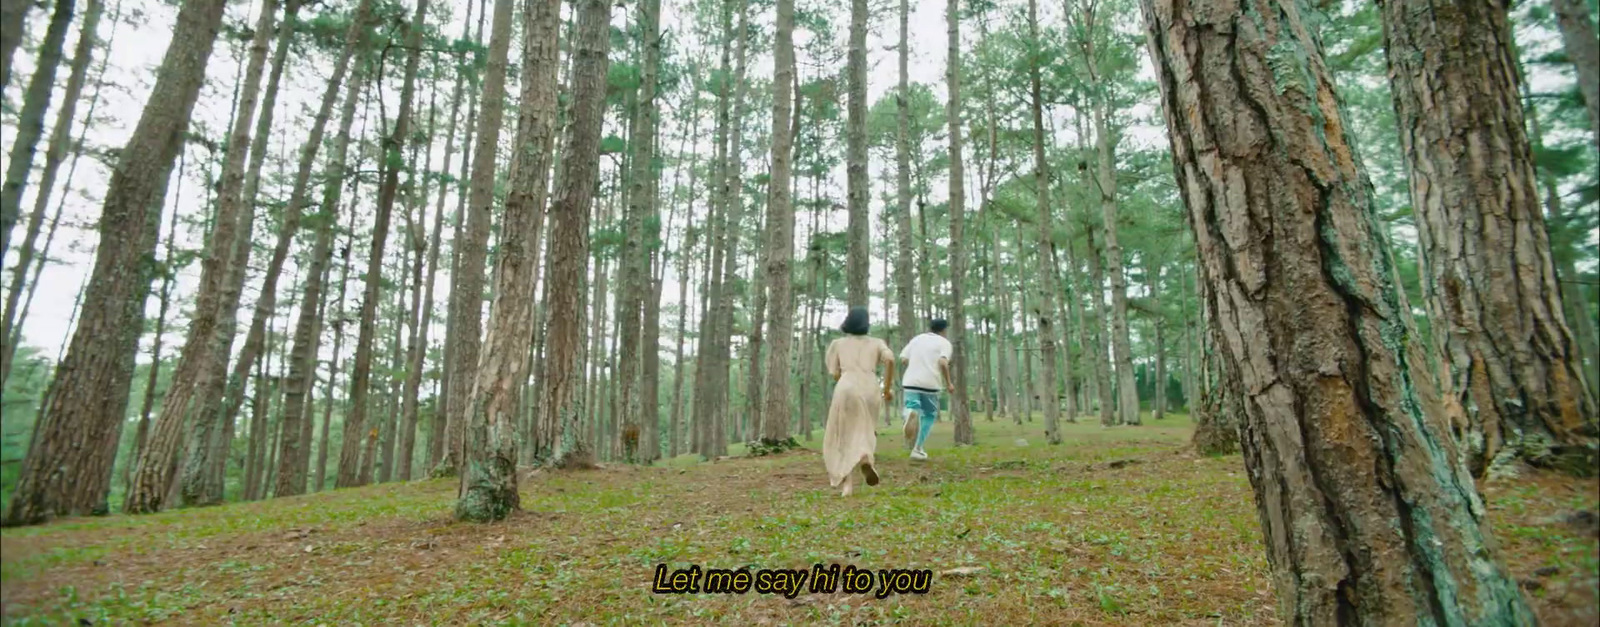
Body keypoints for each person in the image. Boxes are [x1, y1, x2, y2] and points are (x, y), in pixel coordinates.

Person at [823, 307, 896, 497]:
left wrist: (845, 378)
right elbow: (890, 360)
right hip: (870, 387)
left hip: (847, 387)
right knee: (866, 429)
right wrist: (887, 389)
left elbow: (834, 373)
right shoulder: (877, 342)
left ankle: (847, 484)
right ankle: (865, 459)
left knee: (844, 434)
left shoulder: (837, 344)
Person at [899, 318, 954, 461]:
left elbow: (904, 359)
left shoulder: (917, 339)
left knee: (912, 406)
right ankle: (918, 449)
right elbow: (943, 362)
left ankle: (910, 412)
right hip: (931, 383)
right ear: (944, 330)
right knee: (929, 415)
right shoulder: (944, 343)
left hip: (911, 381)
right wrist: (949, 383)